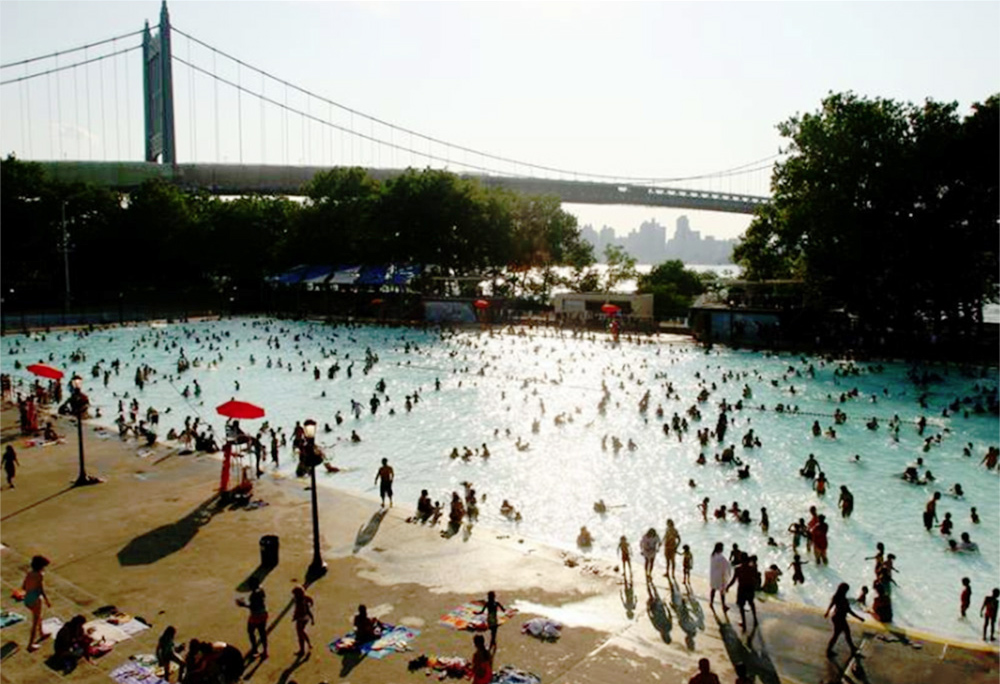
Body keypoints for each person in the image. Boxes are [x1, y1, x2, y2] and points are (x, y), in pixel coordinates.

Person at [825, 582, 864, 658]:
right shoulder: (843, 600)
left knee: (845, 633)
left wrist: (827, 612)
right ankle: (829, 651)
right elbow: (849, 611)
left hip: (836, 617)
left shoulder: (836, 596)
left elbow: (831, 604)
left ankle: (852, 648)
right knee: (839, 635)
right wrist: (859, 618)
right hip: (840, 618)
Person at [22, 555, 51, 651]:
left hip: (27, 598)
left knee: (38, 617)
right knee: (35, 621)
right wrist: (46, 600)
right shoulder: (39, 575)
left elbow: (24, 586)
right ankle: (30, 644)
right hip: (35, 599)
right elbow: (40, 589)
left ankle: (42, 632)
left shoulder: (29, 573)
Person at [236, 577, 268, 659]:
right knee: (262, 632)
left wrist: (243, 604)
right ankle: (265, 651)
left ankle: (255, 649)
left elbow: (253, 607)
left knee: (251, 631)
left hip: (255, 616)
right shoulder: (261, 589)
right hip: (263, 613)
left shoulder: (253, 595)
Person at [727, 552, 759, 631]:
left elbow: (734, 580)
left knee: (741, 606)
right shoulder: (752, 568)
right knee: (751, 603)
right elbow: (756, 578)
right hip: (750, 587)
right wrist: (755, 587)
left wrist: (728, 586)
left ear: (741, 559)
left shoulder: (738, 568)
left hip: (742, 588)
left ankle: (744, 622)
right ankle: (755, 620)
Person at [709, 542, 732, 611]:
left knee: (713, 589)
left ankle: (711, 602)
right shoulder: (721, 557)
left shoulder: (713, 555)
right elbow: (727, 566)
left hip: (713, 575)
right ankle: (723, 605)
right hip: (720, 576)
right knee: (722, 591)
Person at [292, 586, 314, 656]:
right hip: (306, 618)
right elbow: (309, 608)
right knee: (302, 632)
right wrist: (312, 618)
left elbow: (300, 611)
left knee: (300, 634)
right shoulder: (305, 598)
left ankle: (302, 650)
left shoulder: (299, 602)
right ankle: (308, 644)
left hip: (301, 619)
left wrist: (295, 617)